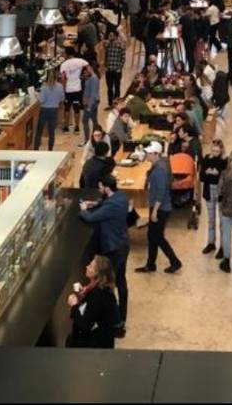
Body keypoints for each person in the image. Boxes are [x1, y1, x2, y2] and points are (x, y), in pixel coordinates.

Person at [79, 173, 132, 333]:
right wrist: (95, 202)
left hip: (113, 248)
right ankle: (122, 317)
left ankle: (116, 322)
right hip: (123, 244)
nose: (99, 189)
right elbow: (105, 202)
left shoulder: (111, 206)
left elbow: (91, 218)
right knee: (121, 281)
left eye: (101, 187)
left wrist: (83, 209)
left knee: (109, 285)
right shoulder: (121, 196)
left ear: (106, 188)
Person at [135, 142, 182, 274]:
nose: (147, 155)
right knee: (152, 235)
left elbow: (161, 191)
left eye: (149, 153)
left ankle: (175, 261)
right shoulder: (160, 164)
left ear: (156, 154)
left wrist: (155, 210)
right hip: (158, 206)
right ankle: (151, 264)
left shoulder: (160, 170)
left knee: (157, 236)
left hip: (160, 208)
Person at [67, 255, 121, 348]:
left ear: (97, 274)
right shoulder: (102, 288)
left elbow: (85, 325)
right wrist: (85, 294)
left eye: (91, 266)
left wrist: (74, 305)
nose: (87, 267)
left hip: (94, 345)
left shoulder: (97, 295)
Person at [199, 139, 227, 257]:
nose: (214, 153)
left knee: (222, 221)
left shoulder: (225, 161)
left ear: (221, 151)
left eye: (217, 151)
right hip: (209, 190)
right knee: (211, 220)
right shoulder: (206, 159)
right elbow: (201, 177)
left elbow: (226, 178)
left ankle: (222, 246)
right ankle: (211, 243)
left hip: (221, 192)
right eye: (213, 150)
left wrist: (218, 174)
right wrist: (207, 173)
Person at [60, 46, 90, 133]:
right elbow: (88, 66)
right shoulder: (80, 61)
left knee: (67, 108)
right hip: (77, 88)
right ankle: (77, 127)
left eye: (64, 53)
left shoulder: (64, 64)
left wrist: (63, 88)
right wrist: (86, 75)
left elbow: (62, 79)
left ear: (67, 54)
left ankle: (66, 127)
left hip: (68, 90)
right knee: (77, 108)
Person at [34, 69, 65, 150]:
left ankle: (35, 150)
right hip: (54, 111)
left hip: (44, 110)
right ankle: (50, 151)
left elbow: (42, 100)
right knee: (51, 133)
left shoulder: (44, 87)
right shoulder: (60, 86)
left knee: (39, 132)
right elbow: (62, 98)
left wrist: (37, 96)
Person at [103, 26, 125, 105]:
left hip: (117, 70)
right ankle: (110, 103)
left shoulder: (120, 45)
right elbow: (105, 55)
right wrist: (105, 66)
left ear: (115, 36)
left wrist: (120, 68)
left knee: (117, 87)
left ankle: (117, 103)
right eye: (109, 36)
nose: (110, 37)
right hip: (108, 69)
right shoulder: (107, 44)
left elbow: (123, 58)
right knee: (109, 88)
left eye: (111, 36)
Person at [81, 63, 101, 144]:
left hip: (91, 103)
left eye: (88, 67)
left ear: (91, 68)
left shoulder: (94, 78)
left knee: (85, 120)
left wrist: (89, 106)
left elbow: (93, 94)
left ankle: (87, 140)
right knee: (94, 121)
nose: (86, 69)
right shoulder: (92, 77)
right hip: (92, 102)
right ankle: (96, 138)